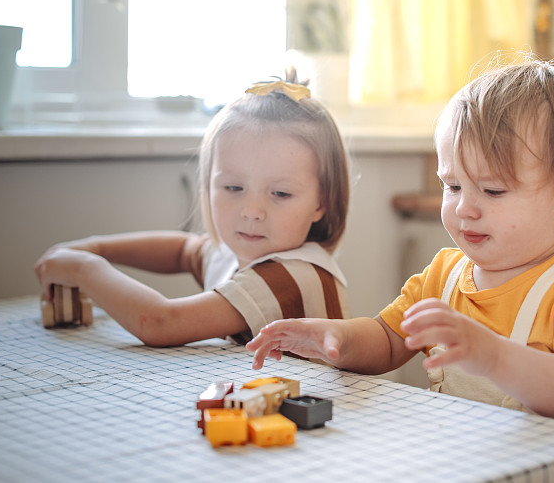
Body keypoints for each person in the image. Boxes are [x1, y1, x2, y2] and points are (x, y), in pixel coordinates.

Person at [247, 56, 554, 432]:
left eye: (493, 190)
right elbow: (387, 339)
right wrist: (337, 338)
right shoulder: (443, 275)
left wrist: (494, 356)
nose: (464, 208)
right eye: (453, 185)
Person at [35, 69, 351, 347]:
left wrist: (84, 269)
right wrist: (95, 248)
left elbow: (159, 323)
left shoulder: (293, 275)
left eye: (280, 193)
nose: (252, 210)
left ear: (320, 203)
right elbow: (183, 251)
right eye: (234, 188)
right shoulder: (234, 253)